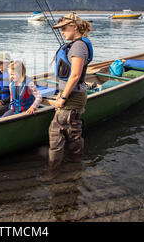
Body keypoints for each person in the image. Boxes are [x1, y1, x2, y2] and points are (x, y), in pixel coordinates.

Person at [40, 12, 93, 182]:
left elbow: (75, 74)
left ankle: (52, 172)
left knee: (56, 132)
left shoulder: (78, 47)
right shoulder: (80, 43)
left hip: (71, 97)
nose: (62, 31)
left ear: (75, 27)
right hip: (76, 95)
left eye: (64, 28)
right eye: (60, 29)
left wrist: (62, 98)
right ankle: (76, 163)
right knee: (73, 130)